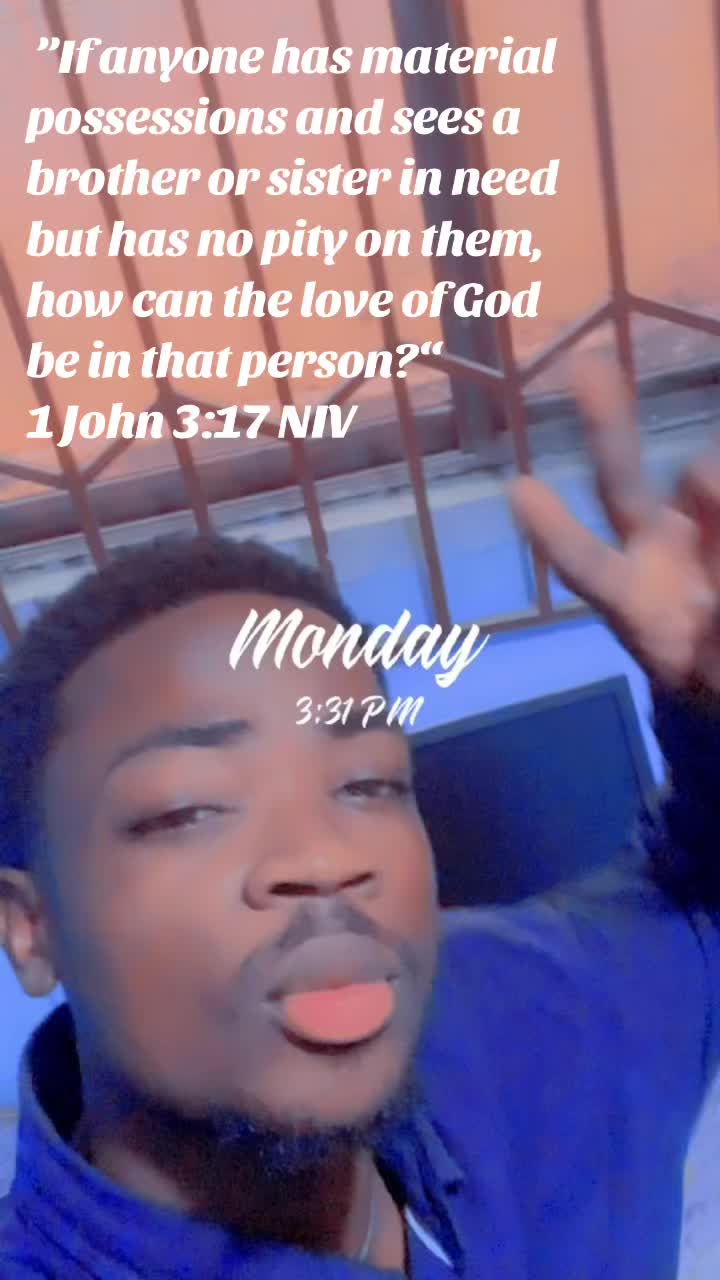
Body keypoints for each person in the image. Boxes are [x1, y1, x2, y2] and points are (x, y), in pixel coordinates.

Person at [0, 364, 718, 1279]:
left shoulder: (516, 1013)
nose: (323, 856)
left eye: (368, 784)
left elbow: (697, 897)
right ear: (31, 928)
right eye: (189, 808)